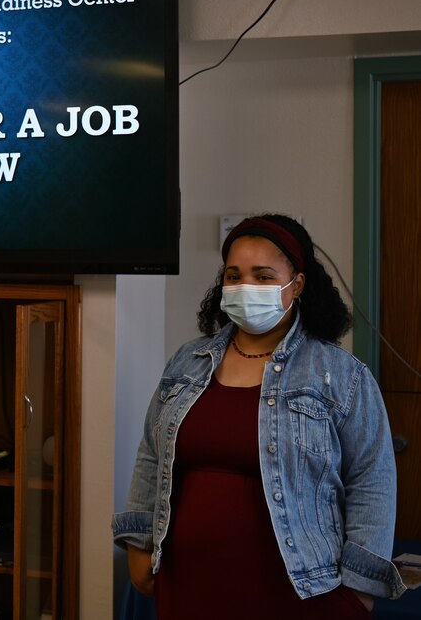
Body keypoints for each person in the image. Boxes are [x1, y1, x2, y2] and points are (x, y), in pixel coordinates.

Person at [112, 214, 405, 618]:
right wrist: (138, 545)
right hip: (190, 586)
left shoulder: (341, 375)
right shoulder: (187, 361)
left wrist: (361, 591)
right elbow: (150, 455)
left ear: (297, 285)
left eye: (263, 276)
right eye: (234, 275)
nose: (245, 286)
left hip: (299, 595)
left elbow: (372, 482)